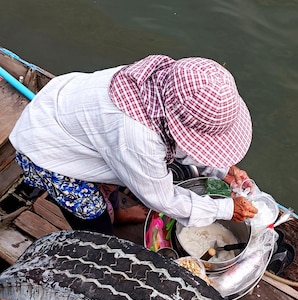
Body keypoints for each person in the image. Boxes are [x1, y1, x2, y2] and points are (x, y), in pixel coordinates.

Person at [9, 54, 258, 235]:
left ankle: (117, 211)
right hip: (47, 149)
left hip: (75, 118)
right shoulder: (138, 138)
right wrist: (226, 209)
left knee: (115, 180)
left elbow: (184, 137)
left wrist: (224, 170)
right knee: (91, 215)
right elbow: (162, 199)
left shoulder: (163, 82)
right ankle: (100, 237)